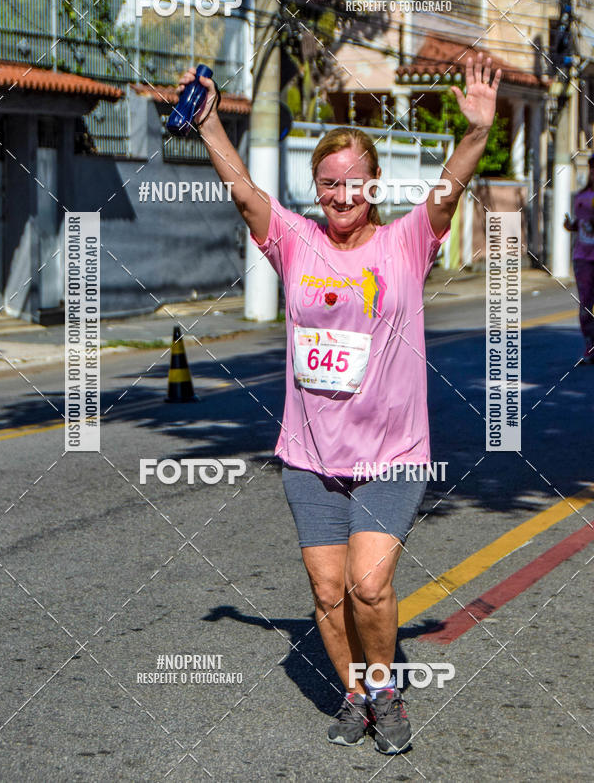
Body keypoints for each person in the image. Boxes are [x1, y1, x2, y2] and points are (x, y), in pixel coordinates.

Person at [176, 55, 501, 754]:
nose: (341, 194)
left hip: (392, 453)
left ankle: (385, 689)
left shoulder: (405, 242)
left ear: (372, 183)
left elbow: (449, 190)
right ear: (318, 187)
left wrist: (474, 136)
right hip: (310, 454)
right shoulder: (295, 242)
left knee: (368, 583)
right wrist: (208, 127)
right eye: (329, 183)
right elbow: (244, 192)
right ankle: (354, 693)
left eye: (353, 181)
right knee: (327, 593)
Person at [563, 155, 594, 364]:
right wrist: (570, 225)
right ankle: (590, 348)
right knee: (585, 306)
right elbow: (579, 224)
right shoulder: (581, 196)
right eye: (592, 170)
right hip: (583, 258)